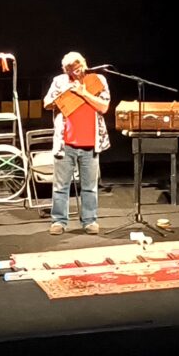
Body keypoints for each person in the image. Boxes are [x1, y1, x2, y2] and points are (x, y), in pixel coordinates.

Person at [43, 51, 111, 235]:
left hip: (90, 143)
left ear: (84, 63)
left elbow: (104, 106)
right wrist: (63, 94)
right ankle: (59, 221)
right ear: (66, 70)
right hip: (65, 143)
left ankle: (90, 221)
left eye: (78, 66)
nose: (76, 71)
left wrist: (84, 93)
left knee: (89, 187)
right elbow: (47, 102)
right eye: (71, 69)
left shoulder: (98, 80)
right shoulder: (60, 81)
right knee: (60, 187)